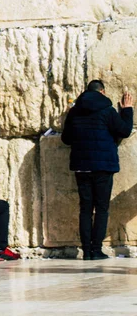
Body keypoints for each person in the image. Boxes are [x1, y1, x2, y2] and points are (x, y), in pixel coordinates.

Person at [62, 80, 133, 260]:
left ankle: (86, 251)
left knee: (85, 209)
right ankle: (96, 249)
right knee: (101, 208)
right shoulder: (107, 110)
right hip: (103, 166)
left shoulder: (74, 112)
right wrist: (127, 110)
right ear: (102, 91)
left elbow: (66, 139)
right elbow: (124, 131)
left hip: (81, 167)